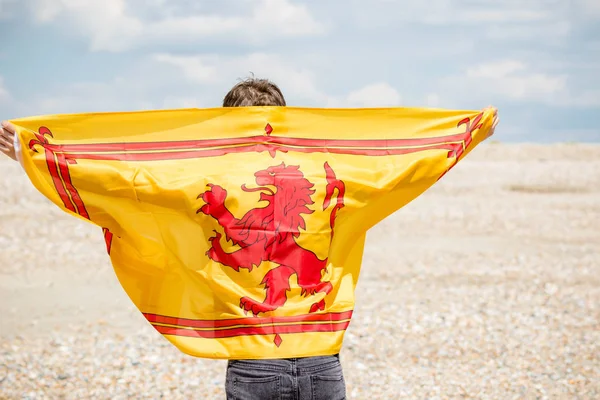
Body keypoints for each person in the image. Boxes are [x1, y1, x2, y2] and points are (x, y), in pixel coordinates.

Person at [1, 77, 499, 400]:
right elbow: (402, 167)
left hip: (255, 365)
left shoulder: (195, 176)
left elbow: (124, 182)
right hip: (324, 363)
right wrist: (464, 136)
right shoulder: (336, 179)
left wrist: (37, 158)